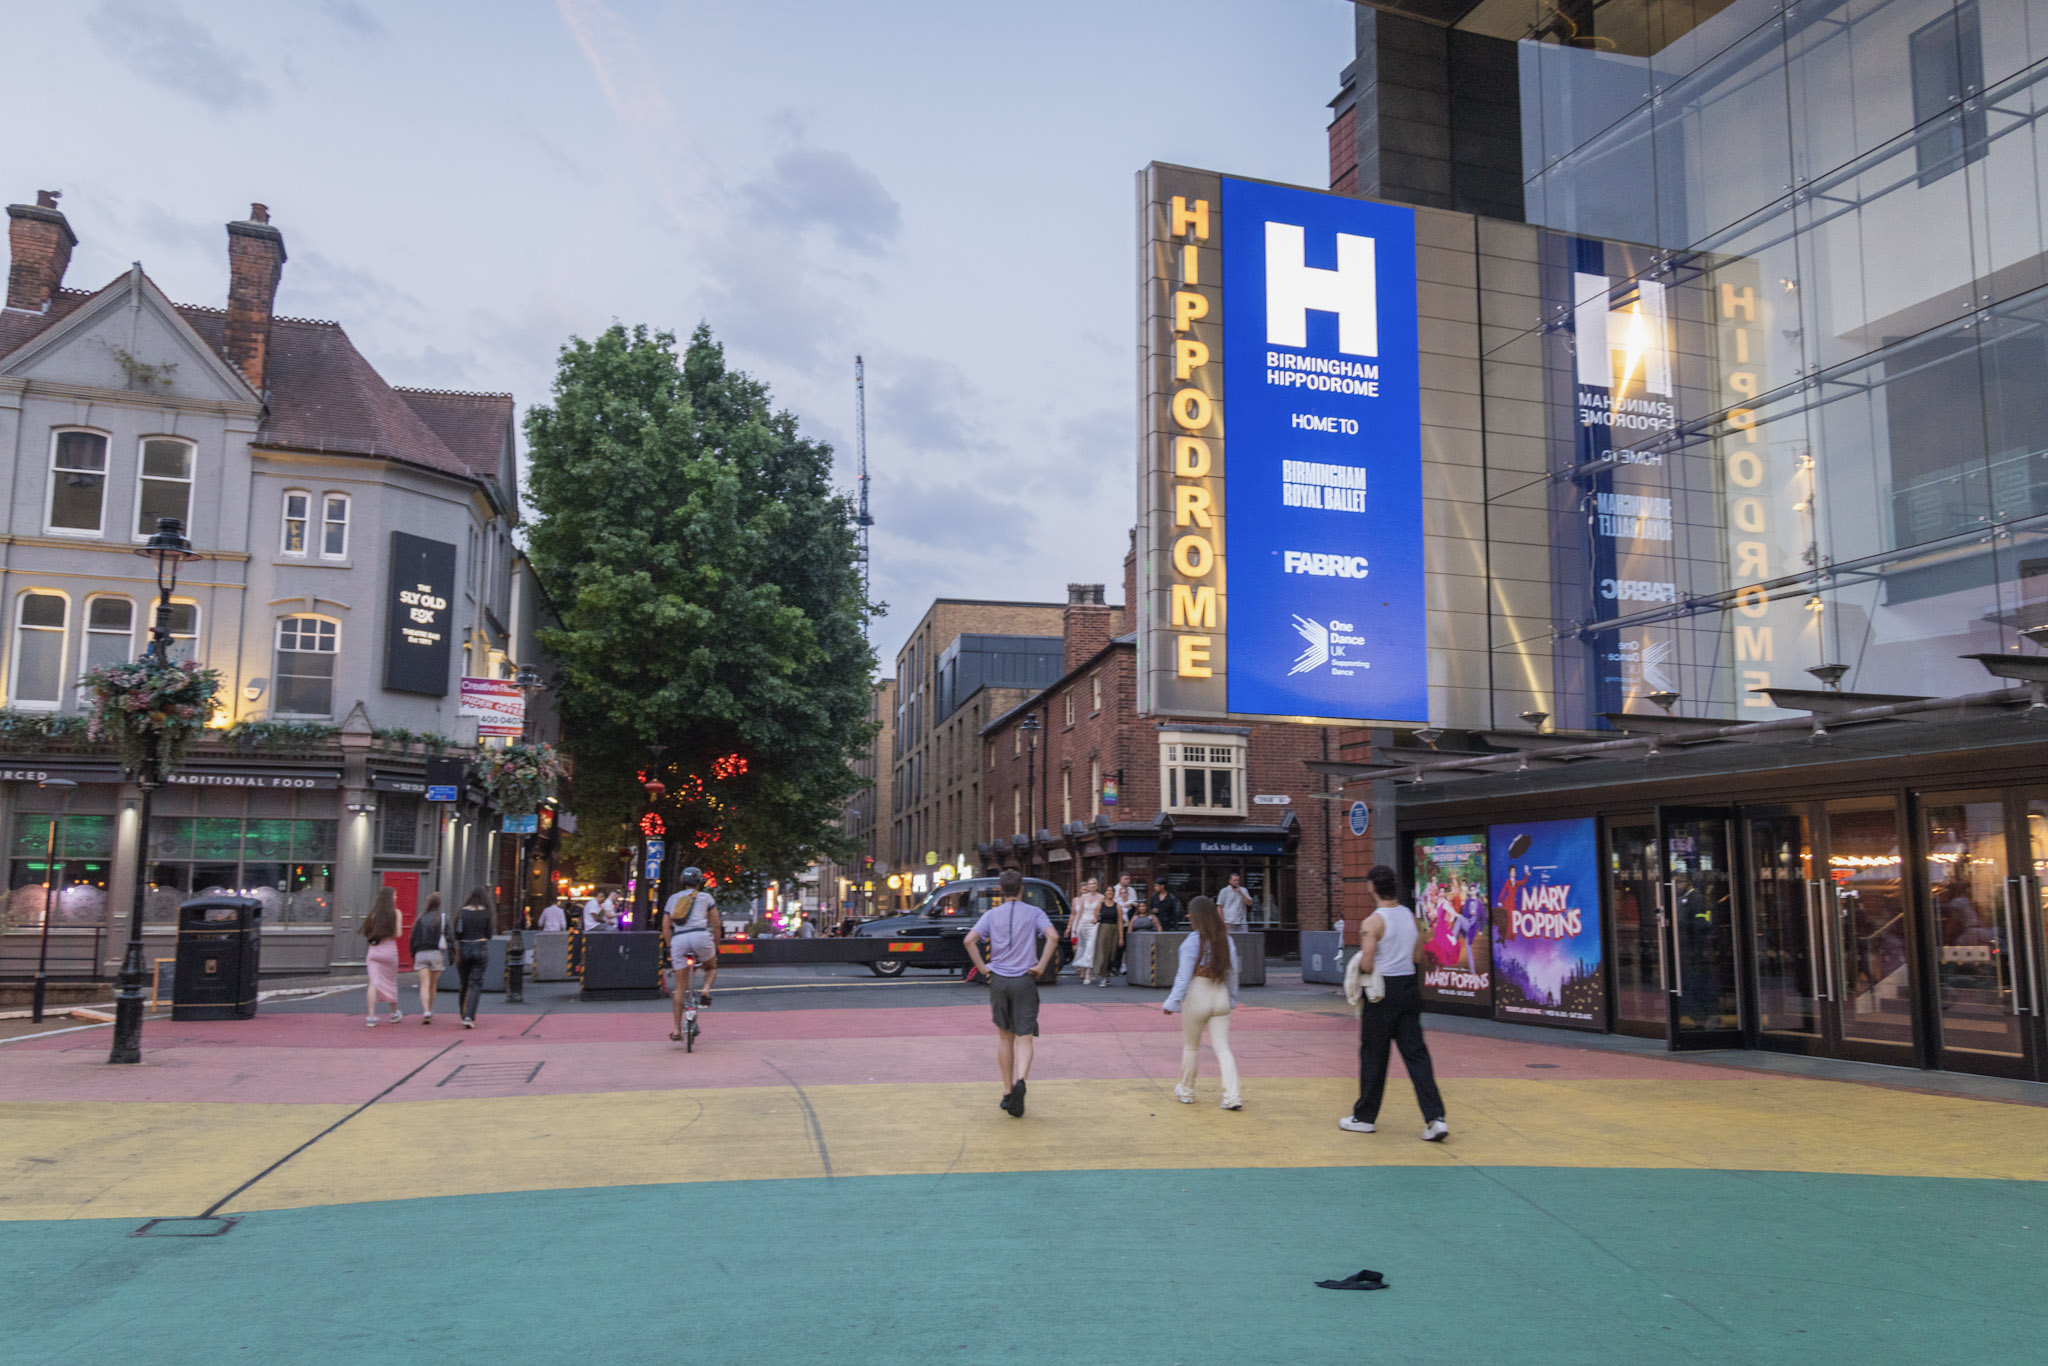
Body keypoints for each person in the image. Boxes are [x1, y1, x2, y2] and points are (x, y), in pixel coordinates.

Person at [1341, 865, 1447, 1141]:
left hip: (1381, 992)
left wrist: (1359, 970)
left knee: (1374, 1055)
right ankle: (1435, 1118)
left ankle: (1365, 1117)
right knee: (1417, 1055)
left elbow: (1367, 963)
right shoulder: (1410, 917)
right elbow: (1417, 957)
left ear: (1372, 887)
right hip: (1408, 988)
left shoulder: (1372, 923)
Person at [963, 868, 1058, 1118]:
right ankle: (1021, 1080)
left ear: (1000, 890)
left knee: (1005, 1036)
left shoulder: (991, 915)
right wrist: (1041, 965)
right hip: (1025, 979)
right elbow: (1053, 936)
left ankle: (1007, 1092)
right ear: (1022, 889)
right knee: (1024, 1037)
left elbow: (969, 940)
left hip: (999, 979)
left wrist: (982, 967)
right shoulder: (1035, 913)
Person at [1163, 895, 1242, 1109]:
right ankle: (1232, 1097)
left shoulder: (1192, 941)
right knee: (1223, 1049)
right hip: (1220, 992)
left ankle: (1186, 1091)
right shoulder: (1226, 940)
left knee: (1191, 1047)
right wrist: (1232, 998)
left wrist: (1173, 1001)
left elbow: (1183, 976)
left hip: (1198, 992)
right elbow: (1233, 972)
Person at [662, 866, 721, 1041]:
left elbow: (665, 925)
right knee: (711, 967)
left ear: (682, 882)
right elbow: (716, 924)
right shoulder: (706, 897)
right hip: (700, 937)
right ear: (699, 883)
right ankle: (705, 989)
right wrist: (715, 946)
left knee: (680, 988)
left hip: (679, 939)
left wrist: (670, 946)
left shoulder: (673, 899)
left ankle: (676, 1030)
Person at [359, 886, 403, 1027]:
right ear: (389, 898)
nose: (396, 897)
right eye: (394, 895)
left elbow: (367, 933)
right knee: (391, 981)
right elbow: (398, 934)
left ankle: (371, 1016)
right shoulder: (396, 913)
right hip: (389, 951)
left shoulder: (373, 914)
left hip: (374, 951)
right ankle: (394, 1013)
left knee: (373, 983)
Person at [452, 887, 495, 1029]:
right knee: (475, 983)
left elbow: (456, 933)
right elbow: (489, 934)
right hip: (480, 947)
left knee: (464, 982)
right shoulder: (487, 912)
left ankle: (462, 1012)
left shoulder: (461, 912)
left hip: (464, 947)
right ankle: (469, 1016)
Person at [407, 892, 450, 1025]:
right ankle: (430, 1009)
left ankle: (425, 1011)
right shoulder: (442, 918)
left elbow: (413, 938)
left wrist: (413, 953)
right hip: (436, 953)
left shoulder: (420, 918)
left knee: (424, 984)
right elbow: (449, 937)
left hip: (421, 953)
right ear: (439, 904)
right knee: (433, 984)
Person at [1071, 878, 1104, 986]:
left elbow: (1101, 912)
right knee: (1083, 946)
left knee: (1090, 947)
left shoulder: (1101, 897)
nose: (1092, 885)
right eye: (1090, 884)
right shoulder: (1083, 897)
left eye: (1094, 883)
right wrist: (1076, 926)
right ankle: (1086, 969)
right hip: (1083, 923)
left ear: (1097, 885)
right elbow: (1079, 912)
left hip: (1093, 924)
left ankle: (1088, 974)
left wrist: (1097, 918)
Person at [1110, 874, 1140, 975]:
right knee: (1118, 946)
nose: (1128, 880)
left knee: (1128, 946)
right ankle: (1115, 965)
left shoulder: (1132, 891)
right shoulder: (1115, 891)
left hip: (1129, 924)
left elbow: (1137, 905)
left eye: (1129, 878)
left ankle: (1125, 965)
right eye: (1126, 879)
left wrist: (1131, 904)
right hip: (1119, 924)